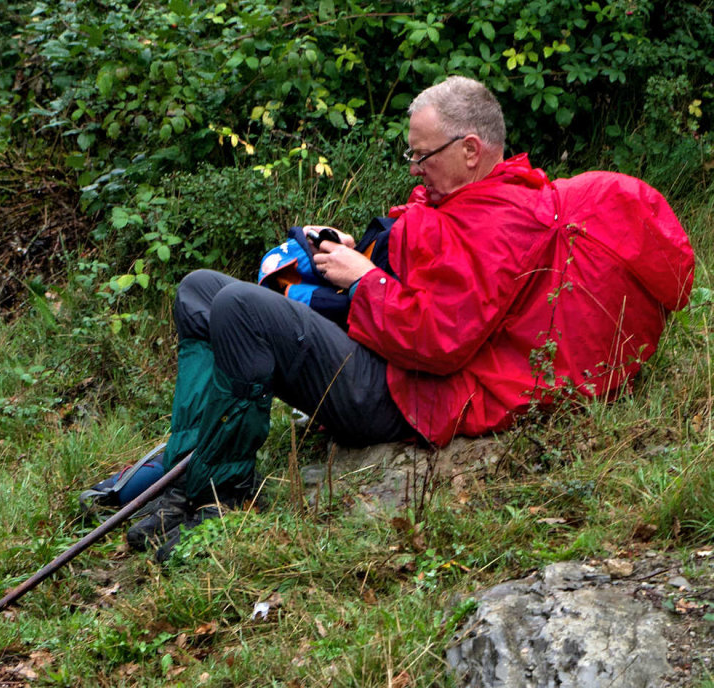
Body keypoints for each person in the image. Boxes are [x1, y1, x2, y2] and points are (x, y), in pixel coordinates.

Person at [127, 76, 695, 562]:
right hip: (387, 364)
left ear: (471, 149)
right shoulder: (470, 201)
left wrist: (362, 279)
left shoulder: (501, 224)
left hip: (407, 394)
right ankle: (188, 466)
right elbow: (428, 270)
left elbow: (438, 343)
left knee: (237, 307)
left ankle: (221, 495)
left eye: (423, 156)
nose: (416, 171)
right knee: (199, 289)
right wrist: (357, 251)